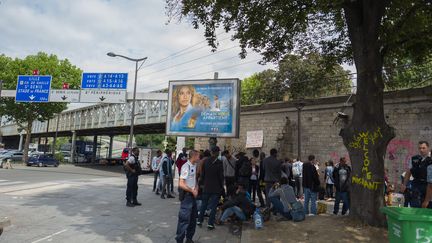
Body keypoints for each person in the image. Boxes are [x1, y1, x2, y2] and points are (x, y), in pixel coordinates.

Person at [175, 150, 200, 243]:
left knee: (193, 220)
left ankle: (189, 239)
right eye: (198, 156)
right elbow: (181, 183)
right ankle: (179, 240)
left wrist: (196, 188)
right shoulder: (186, 166)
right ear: (194, 156)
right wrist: (192, 190)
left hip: (193, 197)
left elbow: (195, 179)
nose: (199, 158)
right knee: (184, 220)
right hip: (187, 197)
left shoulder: (195, 166)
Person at [197, 146, 224, 230]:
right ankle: (210, 224)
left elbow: (203, 175)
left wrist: (202, 184)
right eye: (218, 152)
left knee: (204, 205)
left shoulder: (205, 161)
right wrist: (221, 186)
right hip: (216, 188)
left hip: (206, 187)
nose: (219, 153)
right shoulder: (219, 162)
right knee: (213, 207)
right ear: (216, 152)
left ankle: (199, 220)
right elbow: (221, 177)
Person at [402, 141, 432, 208]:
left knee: (428, 205)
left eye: (424, 148)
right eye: (420, 148)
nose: (421, 150)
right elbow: (408, 172)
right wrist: (404, 184)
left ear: (428, 148)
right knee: (416, 204)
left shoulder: (431, 158)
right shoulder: (414, 159)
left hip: (428, 184)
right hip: (416, 184)